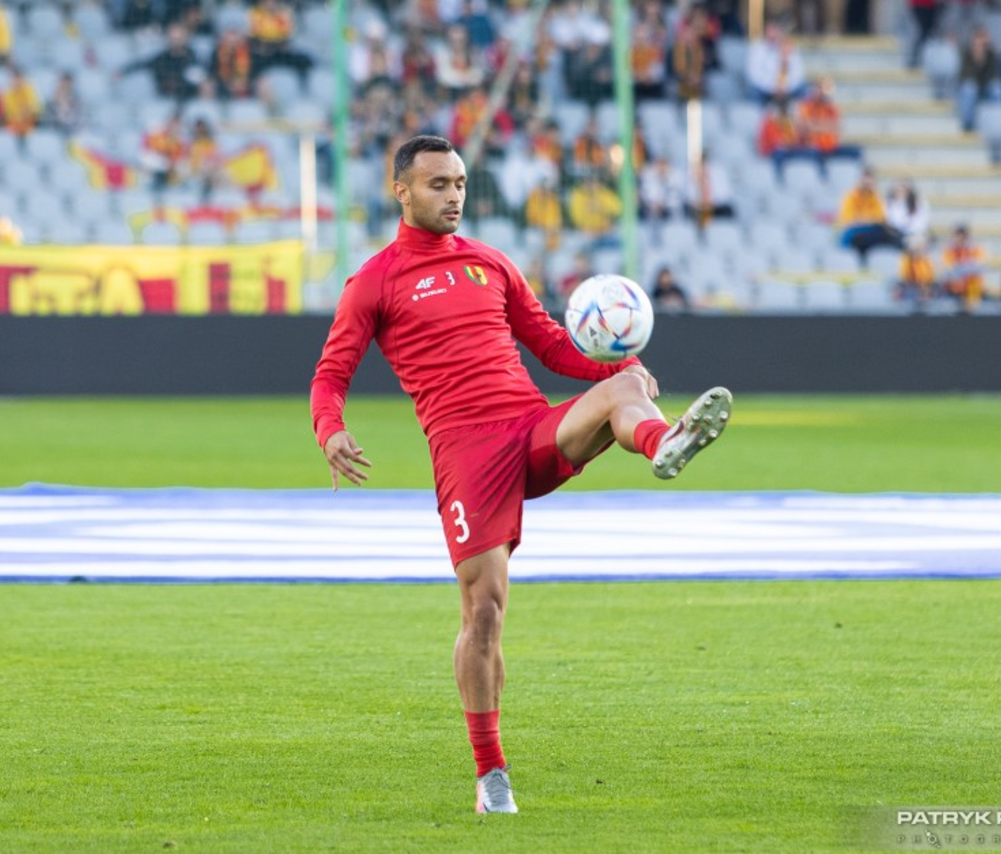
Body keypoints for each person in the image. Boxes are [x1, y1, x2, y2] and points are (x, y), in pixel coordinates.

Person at [310, 135, 732, 814]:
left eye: (459, 183)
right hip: (466, 456)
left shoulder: (491, 263)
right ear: (402, 192)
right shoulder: (374, 281)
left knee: (624, 384)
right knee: (484, 612)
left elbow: (554, 346)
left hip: (530, 429)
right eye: (439, 184)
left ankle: (663, 442)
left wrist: (622, 365)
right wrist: (330, 429)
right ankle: (490, 776)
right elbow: (331, 374)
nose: (454, 195)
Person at [957, 28, 1001, 132]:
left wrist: (983, 58)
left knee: (998, 89)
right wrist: (977, 58)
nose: (981, 42)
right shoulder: (966, 53)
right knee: (969, 89)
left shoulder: (991, 54)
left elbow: (995, 76)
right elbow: (964, 76)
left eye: (983, 38)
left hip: (985, 87)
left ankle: (999, 123)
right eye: (979, 38)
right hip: (970, 88)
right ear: (973, 40)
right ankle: (968, 124)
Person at [941, 224, 987, 312]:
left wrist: (963, 268)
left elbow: (980, 267)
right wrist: (964, 268)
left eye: (963, 235)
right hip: (953, 289)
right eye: (958, 235)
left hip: (971, 289)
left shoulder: (975, 249)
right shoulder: (949, 250)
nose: (960, 238)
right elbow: (948, 269)